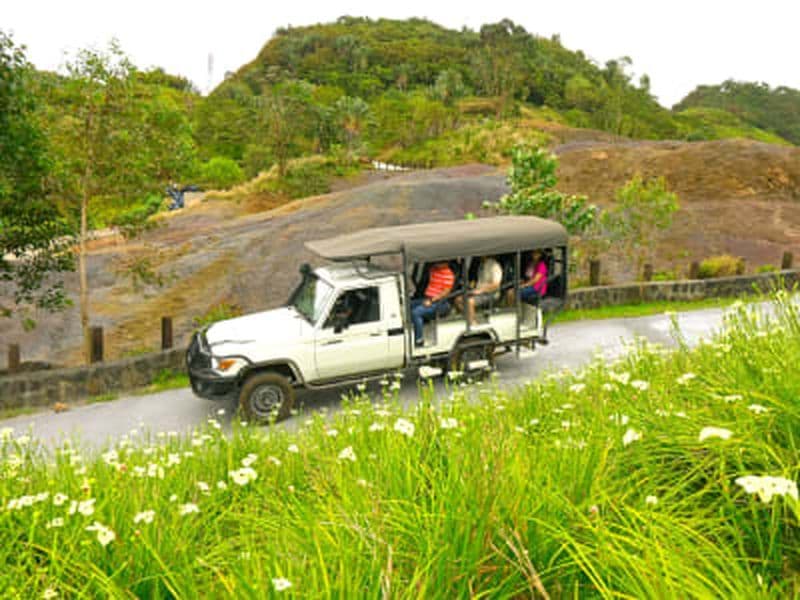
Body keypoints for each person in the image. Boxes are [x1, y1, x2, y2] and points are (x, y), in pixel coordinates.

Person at [411, 261, 455, 347]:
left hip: (440, 302)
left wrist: (431, 301)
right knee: (410, 305)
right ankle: (416, 329)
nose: (436, 263)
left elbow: (445, 292)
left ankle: (419, 340)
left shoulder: (449, 274)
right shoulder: (433, 269)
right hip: (428, 298)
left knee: (416, 312)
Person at [455, 256, 503, 325]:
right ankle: (471, 317)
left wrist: (481, 290)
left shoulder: (494, 266)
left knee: (470, 301)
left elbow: (496, 285)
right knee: (458, 299)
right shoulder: (481, 265)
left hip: (491, 294)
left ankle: (473, 324)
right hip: (479, 291)